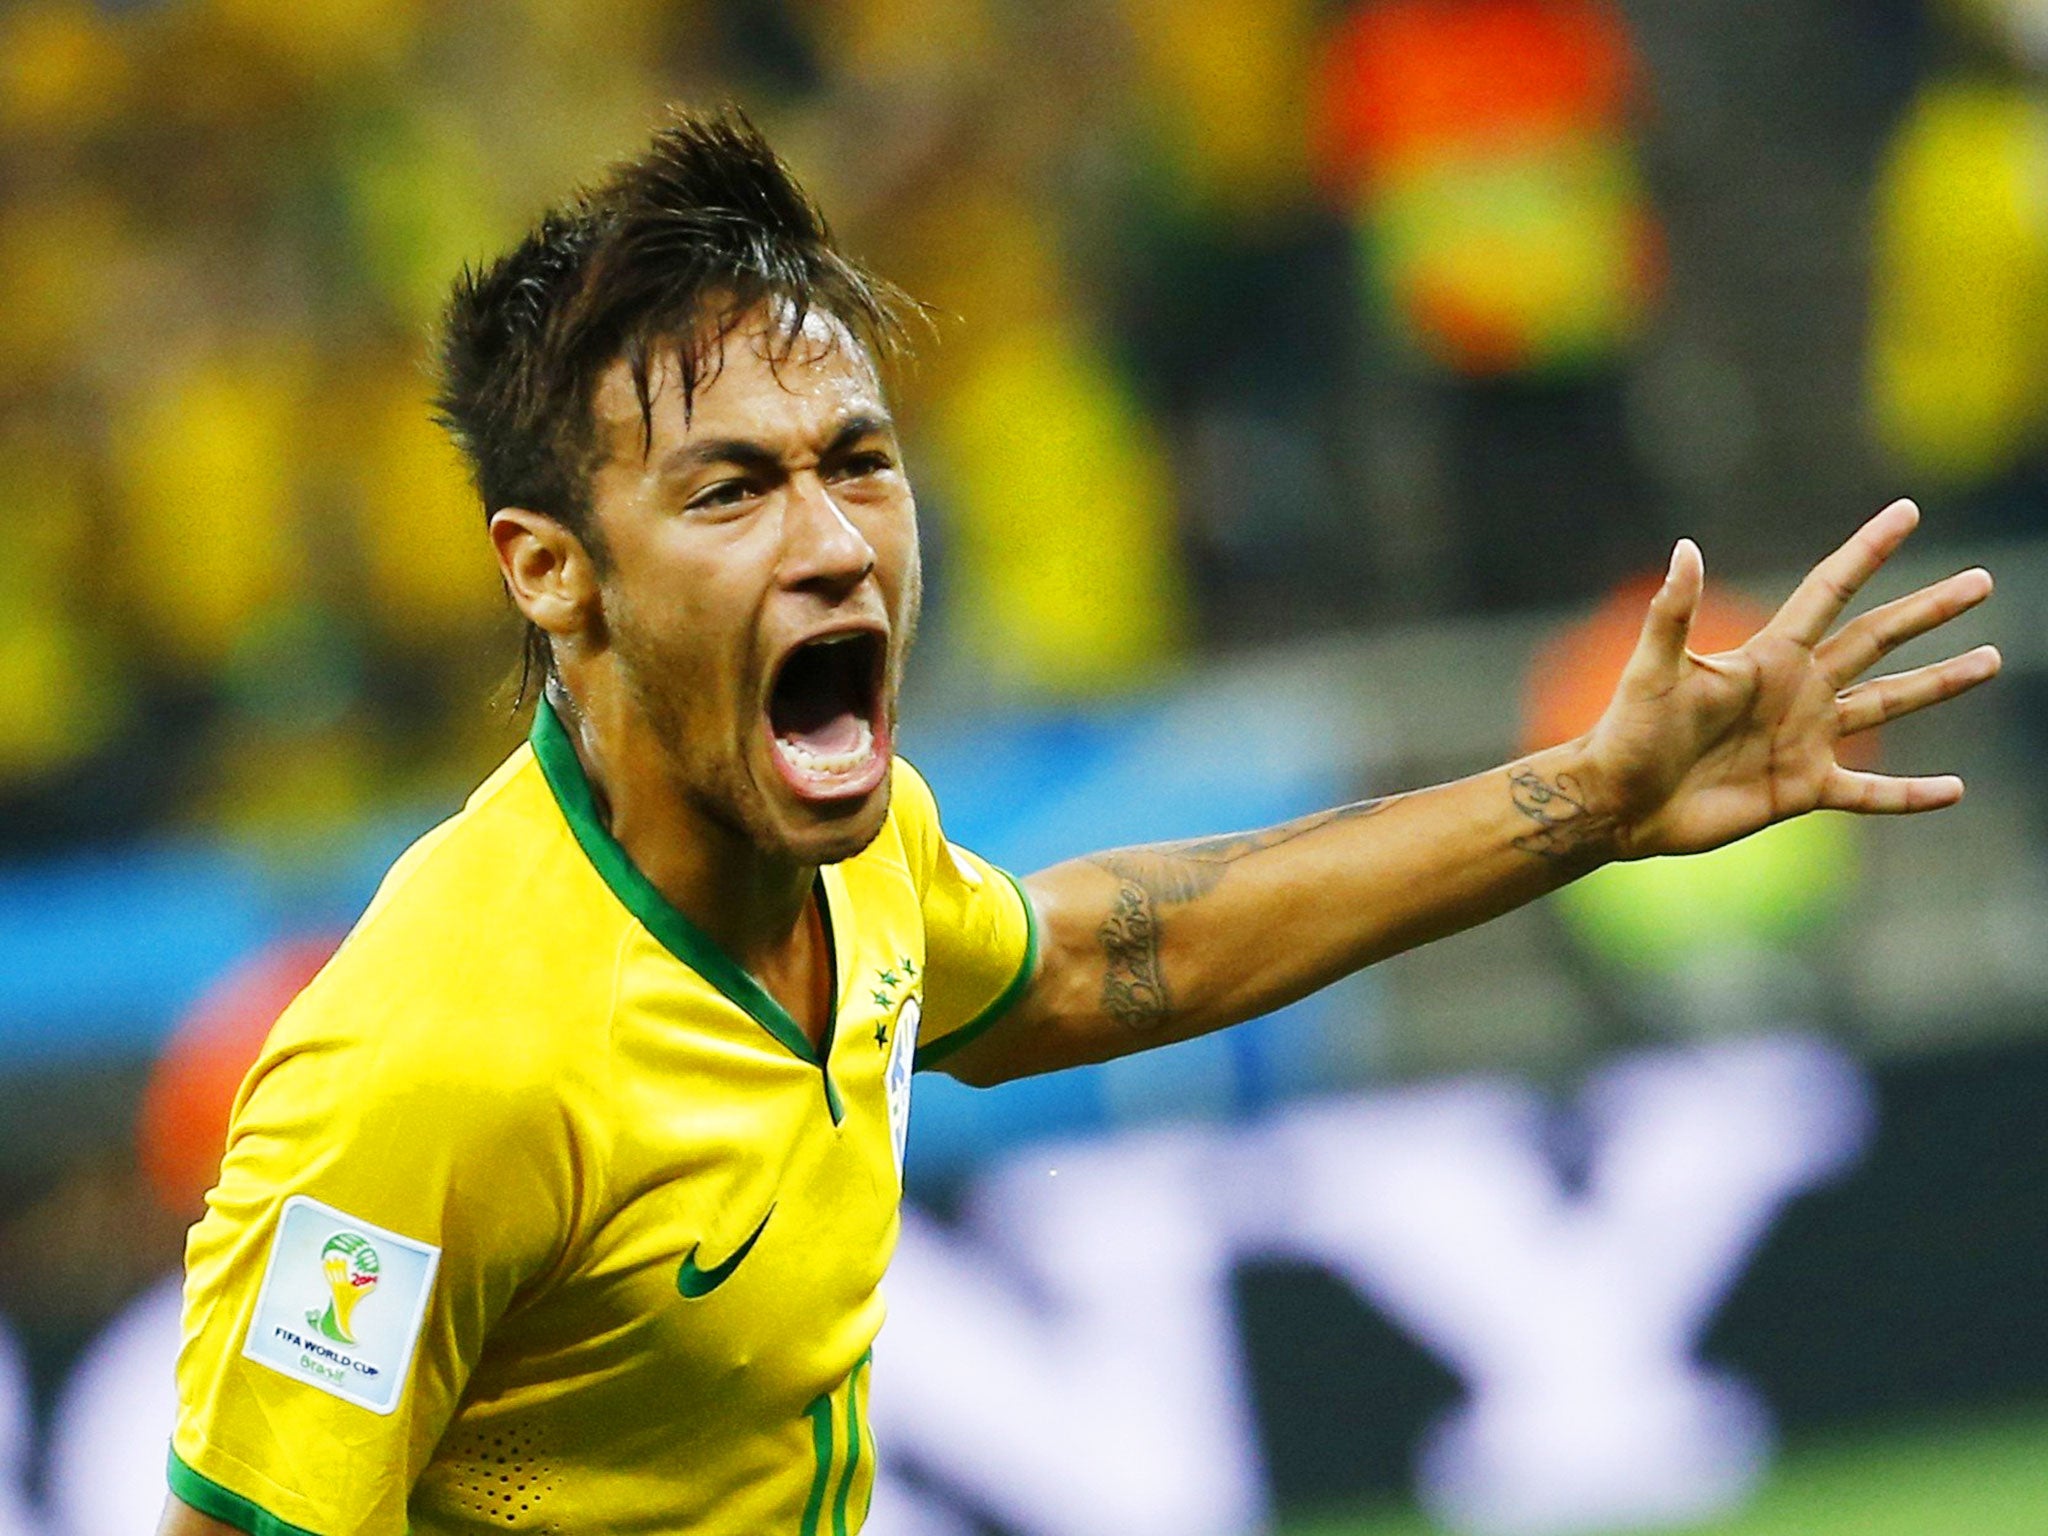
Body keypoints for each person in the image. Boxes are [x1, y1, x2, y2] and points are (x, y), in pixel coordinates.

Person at [159, 109, 2000, 1536]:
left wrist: (1587, 800)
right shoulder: (432, 1069)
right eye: (729, 489)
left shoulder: (851, 851)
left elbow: (1123, 955)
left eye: (858, 462)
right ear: (551, 572)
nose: (828, 541)